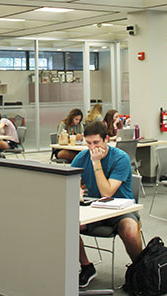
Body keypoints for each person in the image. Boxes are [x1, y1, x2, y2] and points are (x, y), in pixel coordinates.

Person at [72, 121, 142, 288]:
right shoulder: (81, 158)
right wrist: (77, 190)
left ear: (106, 139)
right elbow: (68, 182)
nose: (92, 147)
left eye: (96, 142)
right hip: (94, 208)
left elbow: (107, 192)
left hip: (120, 210)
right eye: (88, 143)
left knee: (130, 232)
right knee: (66, 227)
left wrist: (96, 163)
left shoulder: (121, 158)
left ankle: (140, 270)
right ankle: (87, 267)